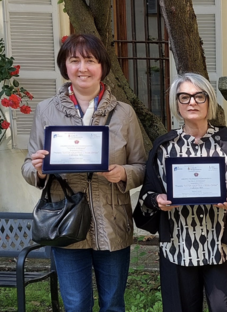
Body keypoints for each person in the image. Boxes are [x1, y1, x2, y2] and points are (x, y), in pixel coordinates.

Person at [21, 34, 146, 312]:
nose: (82, 68)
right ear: (65, 66)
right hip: (64, 222)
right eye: (74, 60)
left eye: (90, 60)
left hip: (112, 220)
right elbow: (29, 166)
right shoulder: (45, 111)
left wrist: (123, 173)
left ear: (102, 66)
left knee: (113, 304)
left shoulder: (123, 113)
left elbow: (142, 166)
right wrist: (39, 169)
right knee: (76, 305)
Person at [134, 72, 227, 312]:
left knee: (222, 309)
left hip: (219, 244)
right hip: (177, 244)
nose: (192, 102)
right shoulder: (164, 147)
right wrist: (158, 199)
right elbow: (148, 193)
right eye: (184, 97)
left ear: (209, 101)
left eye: (199, 96)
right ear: (176, 104)